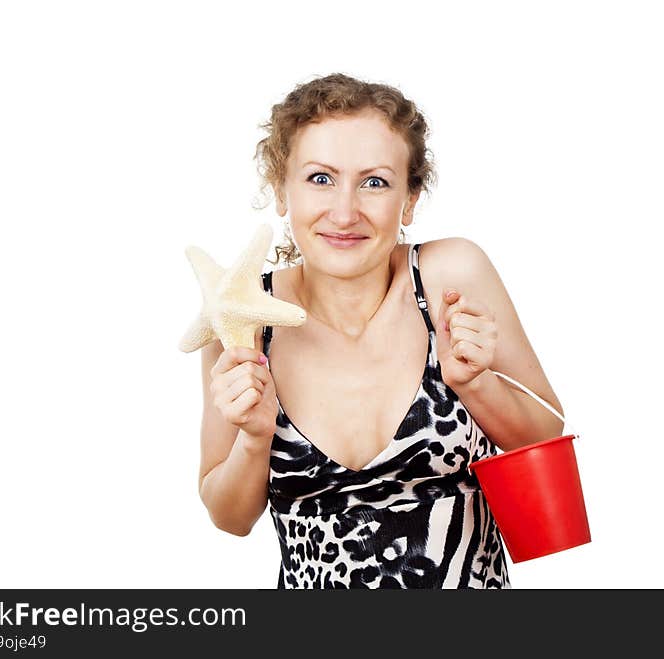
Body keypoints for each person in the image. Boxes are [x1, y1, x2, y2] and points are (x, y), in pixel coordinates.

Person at [197, 73, 565, 588]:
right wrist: (255, 439)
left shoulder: (448, 277)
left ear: (409, 201)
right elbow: (229, 518)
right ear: (282, 190)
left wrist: (475, 384)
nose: (344, 212)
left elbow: (546, 432)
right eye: (320, 178)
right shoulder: (244, 316)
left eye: (375, 182)